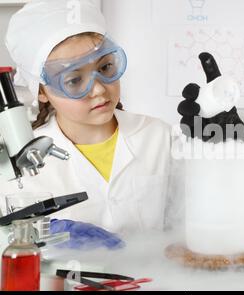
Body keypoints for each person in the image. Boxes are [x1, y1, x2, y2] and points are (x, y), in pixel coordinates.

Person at [0, 0, 172, 247]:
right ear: (41, 91)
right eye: (73, 80)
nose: (99, 89)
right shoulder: (20, 164)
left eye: (105, 67)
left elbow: (185, 226)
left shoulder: (159, 137)